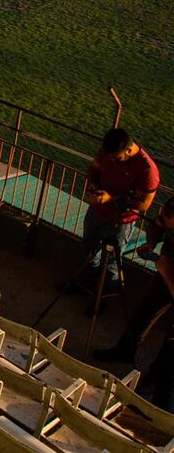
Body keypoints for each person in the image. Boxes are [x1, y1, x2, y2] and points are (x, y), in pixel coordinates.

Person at [93, 198, 174, 411]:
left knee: (171, 346)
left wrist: (166, 272)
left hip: (169, 273)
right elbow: (158, 224)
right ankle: (125, 350)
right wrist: (152, 241)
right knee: (144, 311)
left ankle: (153, 386)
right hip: (167, 269)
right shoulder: (169, 213)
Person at [72, 128, 160, 294]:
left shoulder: (147, 170)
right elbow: (94, 169)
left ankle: (103, 297)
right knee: (88, 251)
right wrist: (92, 185)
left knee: (113, 263)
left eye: (116, 157)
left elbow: (144, 204)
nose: (112, 159)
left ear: (128, 149)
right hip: (97, 212)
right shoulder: (107, 151)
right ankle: (85, 287)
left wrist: (111, 198)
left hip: (121, 222)